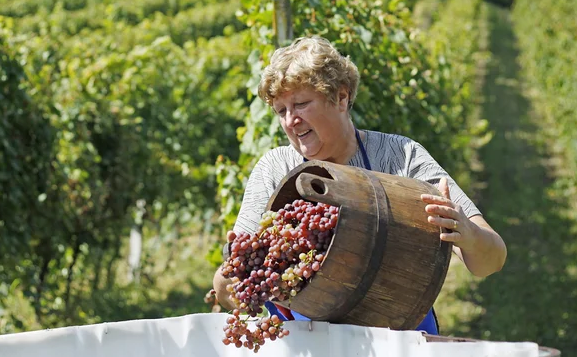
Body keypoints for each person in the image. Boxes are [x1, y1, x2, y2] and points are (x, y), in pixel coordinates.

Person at [212, 36, 507, 334]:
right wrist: (234, 274)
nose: (291, 121)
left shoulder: (400, 157)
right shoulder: (276, 169)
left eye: (301, 104)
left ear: (341, 98)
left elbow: (492, 260)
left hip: (398, 340)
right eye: (281, 111)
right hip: (307, 344)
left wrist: (467, 234)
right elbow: (227, 288)